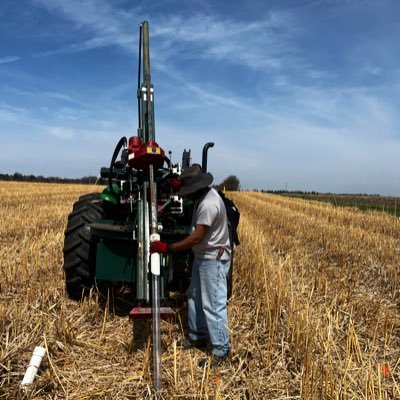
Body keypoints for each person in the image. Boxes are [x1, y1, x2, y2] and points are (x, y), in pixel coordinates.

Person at [151, 164, 231, 367]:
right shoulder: (201, 198)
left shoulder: (208, 204)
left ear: (196, 188)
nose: (186, 196)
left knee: (213, 304)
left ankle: (221, 349)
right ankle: (197, 335)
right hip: (202, 257)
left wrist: (168, 247)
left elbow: (196, 237)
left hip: (212, 259)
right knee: (194, 295)